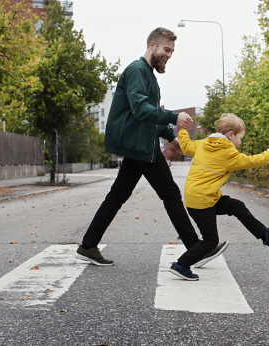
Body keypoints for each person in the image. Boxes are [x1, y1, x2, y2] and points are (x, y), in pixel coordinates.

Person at [75, 27, 228, 266]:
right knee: (170, 193)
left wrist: (171, 136)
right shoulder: (138, 71)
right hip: (140, 145)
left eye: (172, 51)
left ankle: (88, 245)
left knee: (118, 195)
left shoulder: (148, 76)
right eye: (166, 49)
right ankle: (196, 249)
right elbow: (140, 110)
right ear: (152, 45)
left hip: (138, 143)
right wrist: (173, 118)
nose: (169, 55)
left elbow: (149, 117)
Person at [169, 114, 269, 281]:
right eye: (239, 138)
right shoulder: (228, 152)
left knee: (236, 206)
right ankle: (181, 265)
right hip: (202, 202)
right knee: (211, 241)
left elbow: (186, 146)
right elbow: (251, 161)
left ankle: (265, 235)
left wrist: (183, 129)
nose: (240, 143)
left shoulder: (204, 144)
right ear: (230, 134)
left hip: (202, 197)